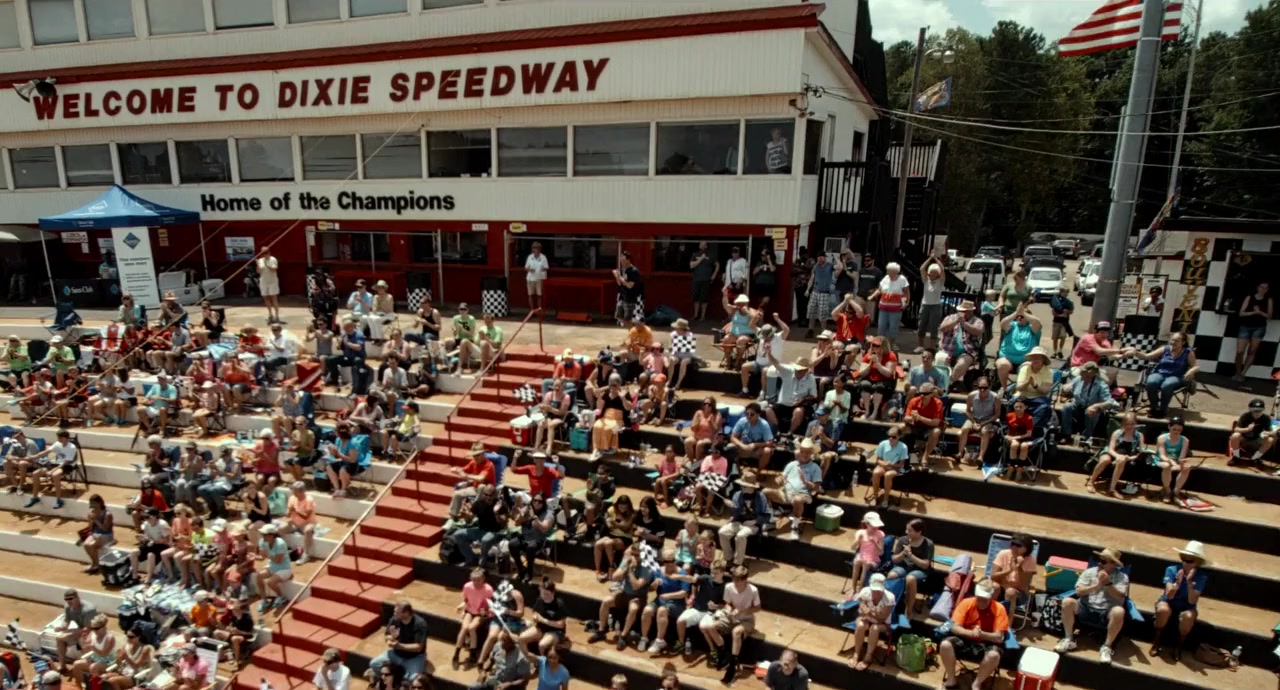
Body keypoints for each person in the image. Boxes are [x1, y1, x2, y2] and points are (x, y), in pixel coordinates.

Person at [1055, 547, 1129, 664]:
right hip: (1085, 607)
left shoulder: (1122, 577)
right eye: (1100, 560)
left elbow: (1120, 595)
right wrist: (1096, 586)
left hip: (1106, 612)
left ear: (1113, 564)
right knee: (1067, 602)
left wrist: (1108, 583)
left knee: (1119, 611)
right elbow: (1079, 591)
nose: (1100, 563)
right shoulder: (1089, 572)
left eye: (1104, 561)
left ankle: (1107, 646)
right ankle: (1068, 638)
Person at [939, 579, 1009, 690]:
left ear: (991, 597)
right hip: (966, 639)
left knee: (994, 655)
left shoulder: (999, 609)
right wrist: (971, 633)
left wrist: (982, 634)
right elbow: (954, 627)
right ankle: (951, 679)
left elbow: (999, 637)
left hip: (987, 643)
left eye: (984, 599)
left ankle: (977, 683)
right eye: (979, 598)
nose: (981, 602)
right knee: (945, 645)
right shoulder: (966, 603)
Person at [588, 542, 655, 648]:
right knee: (606, 601)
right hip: (624, 593)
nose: (634, 557)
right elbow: (614, 577)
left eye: (637, 555)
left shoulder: (647, 568)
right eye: (632, 554)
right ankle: (601, 631)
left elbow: (636, 586)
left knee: (633, 609)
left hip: (638, 597)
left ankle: (623, 636)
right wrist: (626, 566)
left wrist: (630, 571)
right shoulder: (627, 562)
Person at [1151, 540, 1209, 660]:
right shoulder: (1171, 570)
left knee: (1188, 617)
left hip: (1187, 606)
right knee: (1163, 610)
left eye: (1190, 560)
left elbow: (1192, 601)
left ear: (1197, 562)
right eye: (1183, 559)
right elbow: (1169, 595)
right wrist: (1177, 582)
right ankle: (1156, 641)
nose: (1185, 563)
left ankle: (1179, 646)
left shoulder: (1201, 577)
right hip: (1169, 601)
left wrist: (1189, 583)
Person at [702, 565, 760, 683]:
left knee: (736, 632)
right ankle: (723, 652)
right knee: (709, 626)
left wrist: (743, 611)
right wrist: (729, 610)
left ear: (745, 580)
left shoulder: (753, 590)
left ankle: (732, 664)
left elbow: (758, 607)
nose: (735, 583)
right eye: (734, 579)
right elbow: (727, 603)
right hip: (731, 617)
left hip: (746, 620)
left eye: (738, 580)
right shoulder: (729, 587)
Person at [1132, 331, 1199, 418]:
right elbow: (1147, 356)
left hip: (1177, 376)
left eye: (1176, 341)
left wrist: (1190, 371)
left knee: (1167, 385)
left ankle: (1163, 409)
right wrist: (1135, 352)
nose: (1173, 342)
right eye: (1172, 340)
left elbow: (1195, 366)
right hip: (1160, 373)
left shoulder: (1188, 352)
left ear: (1183, 342)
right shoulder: (1165, 349)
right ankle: (1154, 407)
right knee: (1151, 382)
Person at [764, 440, 823, 539]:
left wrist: (805, 481)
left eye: (808, 452)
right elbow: (781, 477)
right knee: (765, 492)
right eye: (803, 451)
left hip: (803, 494)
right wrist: (779, 479)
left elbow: (816, 488)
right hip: (785, 493)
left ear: (811, 453)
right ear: (800, 451)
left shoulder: (815, 468)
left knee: (797, 499)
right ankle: (770, 520)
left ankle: (795, 527)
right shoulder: (792, 464)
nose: (805, 454)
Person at [639, 548, 692, 654]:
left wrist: (668, 596)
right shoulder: (658, 571)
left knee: (662, 610)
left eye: (672, 561)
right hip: (660, 600)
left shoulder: (682, 573)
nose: (670, 564)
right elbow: (650, 589)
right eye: (666, 561)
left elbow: (684, 593)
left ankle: (659, 641)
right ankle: (644, 638)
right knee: (647, 611)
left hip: (676, 604)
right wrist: (654, 584)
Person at [1086, 411, 1146, 495]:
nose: (1129, 426)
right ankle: (1091, 482)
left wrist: (1130, 458)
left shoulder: (1139, 436)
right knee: (1105, 460)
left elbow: (1140, 453)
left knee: (1121, 460)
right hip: (1112, 453)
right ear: (1123, 424)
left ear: (1136, 423)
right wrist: (1117, 456)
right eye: (1127, 424)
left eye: (1132, 424)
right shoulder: (1117, 433)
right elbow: (1110, 449)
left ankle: (1112, 489)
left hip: (1127, 457)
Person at [844, 574, 895, 672]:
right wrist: (868, 612)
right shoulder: (865, 592)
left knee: (874, 628)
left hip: (883, 623)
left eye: (879, 590)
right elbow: (861, 609)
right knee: (860, 625)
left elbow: (882, 617)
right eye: (874, 590)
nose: (876, 592)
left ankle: (868, 656)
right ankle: (856, 653)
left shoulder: (890, 598)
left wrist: (869, 612)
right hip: (867, 618)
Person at [371, 600, 429, 678]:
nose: (394, 614)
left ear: (406, 613)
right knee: (374, 664)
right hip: (396, 654)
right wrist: (390, 639)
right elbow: (387, 635)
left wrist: (398, 645)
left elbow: (418, 647)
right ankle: (390, 681)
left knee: (413, 678)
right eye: (394, 611)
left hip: (414, 657)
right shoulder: (394, 619)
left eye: (397, 612)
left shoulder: (420, 624)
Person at [764, 353, 818, 437]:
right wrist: (769, 353)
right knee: (768, 410)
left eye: (800, 370)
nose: (797, 371)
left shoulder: (811, 379)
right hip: (783, 404)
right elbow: (775, 363)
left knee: (798, 412)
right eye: (796, 369)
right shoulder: (787, 372)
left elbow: (813, 395)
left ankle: (790, 433)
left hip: (798, 405)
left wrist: (803, 399)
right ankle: (777, 430)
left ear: (806, 370)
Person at [1059, 361, 1114, 443]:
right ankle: (1066, 434)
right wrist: (1065, 388)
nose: (1081, 375)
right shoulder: (1078, 379)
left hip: (1091, 408)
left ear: (1091, 374)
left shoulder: (1101, 385)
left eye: (1084, 373)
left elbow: (1110, 402)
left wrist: (1095, 406)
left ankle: (1086, 437)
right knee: (1067, 407)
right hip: (1077, 406)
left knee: (1093, 412)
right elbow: (1067, 387)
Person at [886, 518, 933, 613]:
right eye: (907, 529)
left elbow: (925, 565)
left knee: (910, 579)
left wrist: (911, 556)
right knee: (892, 575)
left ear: (919, 532)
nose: (906, 532)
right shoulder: (902, 540)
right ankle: (889, 605)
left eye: (910, 531)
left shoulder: (928, 544)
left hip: (919, 569)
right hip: (903, 566)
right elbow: (894, 559)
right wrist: (903, 553)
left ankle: (908, 610)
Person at [995, 303, 1043, 391]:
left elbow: (1038, 323)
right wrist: (1016, 312)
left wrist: (1023, 312)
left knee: (1025, 368)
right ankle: (1004, 389)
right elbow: (1003, 323)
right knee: (1002, 365)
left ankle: (1019, 390)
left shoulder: (1032, 329)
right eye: (1018, 317)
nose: (1019, 318)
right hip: (1007, 358)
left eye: (1022, 317)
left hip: (1026, 360)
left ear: (1028, 318)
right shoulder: (1012, 326)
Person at [739, 317, 788, 397]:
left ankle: (763, 393)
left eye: (766, 336)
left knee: (765, 371)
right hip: (758, 364)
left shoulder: (779, 337)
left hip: (772, 365)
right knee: (744, 367)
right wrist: (755, 318)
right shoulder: (761, 334)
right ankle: (745, 391)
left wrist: (777, 319)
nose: (764, 338)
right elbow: (751, 326)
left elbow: (786, 329)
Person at [939, 300, 984, 385]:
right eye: (962, 311)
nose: (964, 313)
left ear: (972, 311)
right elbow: (942, 328)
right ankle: (942, 381)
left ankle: (949, 382)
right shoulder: (950, 318)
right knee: (940, 360)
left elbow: (978, 331)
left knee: (962, 363)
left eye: (966, 311)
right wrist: (955, 321)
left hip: (968, 351)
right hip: (947, 349)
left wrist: (964, 324)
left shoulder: (977, 321)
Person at [853, 336, 898, 421]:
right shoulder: (868, 355)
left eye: (877, 346)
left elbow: (888, 374)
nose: (874, 347)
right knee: (864, 385)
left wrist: (877, 363)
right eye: (873, 345)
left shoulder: (890, 355)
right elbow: (862, 373)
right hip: (871, 379)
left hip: (885, 380)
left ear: (883, 346)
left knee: (878, 387)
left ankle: (875, 412)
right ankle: (867, 411)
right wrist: (870, 364)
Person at [448, 442, 499, 518]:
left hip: (488, 493)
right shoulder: (473, 462)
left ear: (483, 454)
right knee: (457, 494)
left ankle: (473, 512)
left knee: (481, 486)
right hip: (475, 488)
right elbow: (463, 470)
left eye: (477, 455)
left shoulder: (489, 465)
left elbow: (481, 478)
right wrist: (457, 470)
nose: (475, 457)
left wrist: (467, 476)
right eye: (474, 455)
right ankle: (453, 515)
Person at [55, 588, 99, 673]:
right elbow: (67, 621)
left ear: (77, 597)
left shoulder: (89, 610)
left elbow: (88, 628)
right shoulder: (68, 607)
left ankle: (88, 667)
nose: (69, 601)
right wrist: (62, 627)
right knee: (59, 638)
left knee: (82, 640)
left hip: (93, 632)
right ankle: (62, 666)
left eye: (71, 598)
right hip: (80, 630)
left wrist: (73, 633)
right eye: (66, 599)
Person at [520, 578, 568, 655]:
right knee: (522, 638)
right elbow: (535, 612)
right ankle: (527, 657)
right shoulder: (540, 600)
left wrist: (544, 620)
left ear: (553, 592)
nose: (544, 596)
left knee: (542, 645)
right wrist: (535, 617)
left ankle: (543, 661)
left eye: (547, 594)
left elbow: (561, 625)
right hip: (541, 628)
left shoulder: (559, 604)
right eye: (542, 593)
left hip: (555, 631)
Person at [989, 533, 1036, 612]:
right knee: (994, 586)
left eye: (1018, 545)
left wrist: (1020, 568)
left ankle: (1007, 619)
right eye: (1012, 544)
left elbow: (1024, 585)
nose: (1014, 547)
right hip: (1000, 589)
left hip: (1018, 593)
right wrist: (1009, 570)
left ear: (1027, 548)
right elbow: (993, 577)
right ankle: (988, 614)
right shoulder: (1003, 554)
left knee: (1010, 592)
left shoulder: (1031, 560)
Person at [455, 568, 493, 666]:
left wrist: (485, 613)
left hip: (480, 614)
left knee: (471, 628)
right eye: (474, 580)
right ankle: (456, 654)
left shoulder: (488, 589)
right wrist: (462, 607)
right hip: (469, 611)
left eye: (478, 580)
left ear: (483, 579)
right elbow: (466, 600)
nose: (476, 582)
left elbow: (489, 605)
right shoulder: (467, 586)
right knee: (464, 628)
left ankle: (472, 653)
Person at [589, 374, 632, 462]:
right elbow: (599, 406)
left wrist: (623, 398)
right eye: (611, 385)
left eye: (615, 385)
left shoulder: (624, 394)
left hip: (619, 420)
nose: (613, 387)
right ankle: (596, 449)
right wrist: (600, 397)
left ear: (619, 384)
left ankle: (605, 448)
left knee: (609, 428)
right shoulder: (606, 394)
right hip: (606, 417)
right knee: (597, 426)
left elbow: (628, 408)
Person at [958, 377, 1000, 465]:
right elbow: (968, 411)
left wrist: (984, 423)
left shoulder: (995, 397)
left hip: (988, 420)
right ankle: (960, 453)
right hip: (974, 418)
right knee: (964, 429)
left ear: (989, 387)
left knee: (985, 432)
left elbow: (996, 414)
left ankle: (981, 456)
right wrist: (973, 422)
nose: (982, 390)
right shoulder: (971, 395)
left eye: (985, 388)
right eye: (980, 387)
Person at [1235, 281, 1272, 381]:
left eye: (1266, 288)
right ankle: (1238, 372)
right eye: (1262, 287)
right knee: (1240, 351)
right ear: (1257, 287)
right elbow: (1241, 313)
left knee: (1252, 351)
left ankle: (1243, 373)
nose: (1263, 290)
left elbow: (1269, 316)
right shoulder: (1249, 297)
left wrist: (1259, 312)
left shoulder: (1268, 300)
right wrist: (1254, 312)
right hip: (1245, 326)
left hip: (1259, 327)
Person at [869, 262, 910, 350]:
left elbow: (906, 292)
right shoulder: (886, 278)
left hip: (895, 308)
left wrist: (906, 302)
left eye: (889, 270)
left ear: (894, 271)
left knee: (893, 328)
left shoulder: (902, 279)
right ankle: (880, 345)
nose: (887, 272)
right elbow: (879, 289)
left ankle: (892, 344)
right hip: (883, 307)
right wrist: (872, 296)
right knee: (881, 327)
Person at [592, 494, 635, 578]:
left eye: (625, 506)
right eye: (621, 506)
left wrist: (615, 523)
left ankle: (611, 567)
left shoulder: (632, 514)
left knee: (608, 543)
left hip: (624, 538)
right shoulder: (612, 510)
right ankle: (598, 570)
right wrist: (610, 523)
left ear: (628, 505)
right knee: (598, 544)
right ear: (617, 504)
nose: (622, 508)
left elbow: (626, 528)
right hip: (611, 535)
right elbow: (608, 522)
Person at [1152, 416, 1192, 503]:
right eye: (1174, 429)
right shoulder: (1161, 438)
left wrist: (1181, 462)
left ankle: (1176, 491)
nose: (1176, 432)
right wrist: (1171, 461)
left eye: (1179, 430)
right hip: (1162, 461)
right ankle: (1167, 491)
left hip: (1176, 462)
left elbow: (1181, 457)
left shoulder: (1184, 440)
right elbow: (1162, 455)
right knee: (1167, 466)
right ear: (1169, 427)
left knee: (1187, 467)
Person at [866, 425, 908, 508]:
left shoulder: (903, 447)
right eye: (889, 436)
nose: (891, 439)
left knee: (888, 475)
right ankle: (875, 496)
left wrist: (891, 465)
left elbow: (901, 464)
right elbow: (878, 460)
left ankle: (885, 499)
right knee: (875, 472)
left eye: (893, 437)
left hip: (895, 468)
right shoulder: (883, 444)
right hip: (883, 465)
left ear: (899, 437)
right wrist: (884, 464)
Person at [903, 383, 944, 463]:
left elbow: (936, 422)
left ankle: (925, 457)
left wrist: (920, 418)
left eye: (925, 394)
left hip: (930, 428)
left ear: (931, 394)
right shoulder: (914, 401)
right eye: (920, 393)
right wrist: (913, 417)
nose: (922, 396)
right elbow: (906, 418)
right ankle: (907, 455)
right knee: (902, 427)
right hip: (916, 425)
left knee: (936, 432)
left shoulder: (938, 403)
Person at [255, 524, 293, 610]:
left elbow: (278, 560)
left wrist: (267, 555)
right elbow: (262, 556)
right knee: (259, 576)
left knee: (270, 582)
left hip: (284, 569)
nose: (263, 536)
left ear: (272, 535)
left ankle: (281, 596)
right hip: (272, 566)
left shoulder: (280, 543)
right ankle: (264, 600)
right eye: (263, 534)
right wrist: (259, 555)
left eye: (265, 534)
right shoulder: (262, 541)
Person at [1228, 397, 1274, 464]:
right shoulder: (1245, 416)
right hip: (1244, 439)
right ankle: (1235, 457)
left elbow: (1270, 431)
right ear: (1250, 410)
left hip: (1257, 440)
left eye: (1260, 411)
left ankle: (1255, 458)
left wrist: (1267, 433)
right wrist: (1247, 429)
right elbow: (1236, 429)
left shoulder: (1266, 418)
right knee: (1235, 436)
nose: (1257, 413)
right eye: (1255, 411)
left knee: (1270, 440)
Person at [729, 402, 774, 471]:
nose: (749, 416)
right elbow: (733, 437)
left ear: (758, 414)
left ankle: (758, 472)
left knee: (767, 451)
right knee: (730, 447)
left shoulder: (764, 424)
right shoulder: (742, 421)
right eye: (747, 414)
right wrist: (743, 446)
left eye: (752, 414)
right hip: (743, 447)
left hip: (757, 450)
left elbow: (770, 442)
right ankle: (737, 471)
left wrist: (755, 445)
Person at [720, 293, 759, 370]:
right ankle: (728, 362)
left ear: (746, 303)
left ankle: (738, 362)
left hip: (747, 334)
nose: (740, 305)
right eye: (739, 304)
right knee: (726, 339)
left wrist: (747, 312)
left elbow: (756, 318)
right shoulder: (734, 310)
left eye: (742, 304)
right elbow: (725, 304)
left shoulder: (751, 310)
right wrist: (725, 295)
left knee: (741, 340)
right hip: (734, 333)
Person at [917, 255, 946, 351]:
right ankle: (921, 346)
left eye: (935, 272)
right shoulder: (926, 280)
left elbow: (943, 269)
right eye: (931, 272)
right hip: (925, 305)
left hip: (936, 306)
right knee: (921, 326)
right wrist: (930, 258)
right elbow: (922, 269)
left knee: (933, 327)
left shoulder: (940, 281)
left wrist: (936, 259)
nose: (933, 274)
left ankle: (932, 347)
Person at [1003, 398, 1036, 482]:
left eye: (1021, 407)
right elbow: (1005, 428)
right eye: (1016, 407)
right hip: (1012, 436)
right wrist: (1007, 435)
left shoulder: (1029, 418)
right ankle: (1011, 467)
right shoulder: (1009, 416)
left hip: (1025, 437)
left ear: (1025, 407)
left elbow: (1029, 434)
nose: (1018, 409)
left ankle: (1020, 468)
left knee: (1024, 446)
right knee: (1015, 445)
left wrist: (1016, 438)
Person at [805, 253, 837, 337]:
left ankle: (824, 331)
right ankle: (810, 330)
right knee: (811, 310)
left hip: (824, 292)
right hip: (815, 291)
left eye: (821, 258)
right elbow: (812, 278)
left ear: (825, 258)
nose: (820, 259)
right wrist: (808, 289)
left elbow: (840, 268)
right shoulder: (815, 266)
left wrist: (836, 258)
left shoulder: (830, 266)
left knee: (823, 313)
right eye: (818, 258)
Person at [689, 241, 720, 322]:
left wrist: (714, 275)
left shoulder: (711, 255)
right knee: (696, 298)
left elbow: (717, 265)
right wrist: (701, 259)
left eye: (704, 244)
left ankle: (703, 316)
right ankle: (696, 315)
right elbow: (691, 265)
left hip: (706, 279)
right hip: (696, 279)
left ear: (706, 246)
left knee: (704, 298)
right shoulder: (695, 254)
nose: (702, 245)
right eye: (700, 244)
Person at [613, 251, 643, 326]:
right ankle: (632, 327)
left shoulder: (633, 271)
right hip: (623, 296)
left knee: (628, 319)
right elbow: (620, 284)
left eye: (623, 260)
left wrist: (619, 277)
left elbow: (630, 286)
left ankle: (634, 328)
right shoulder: (624, 270)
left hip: (631, 297)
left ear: (628, 260)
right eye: (621, 260)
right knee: (619, 316)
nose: (621, 262)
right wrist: (617, 277)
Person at [254, 248, 281, 323]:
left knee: (274, 298)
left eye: (265, 253)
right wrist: (257, 265)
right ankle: (270, 314)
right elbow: (258, 271)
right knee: (266, 298)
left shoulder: (273, 259)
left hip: (272, 281)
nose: (264, 255)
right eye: (262, 253)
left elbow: (274, 269)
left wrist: (266, 264)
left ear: (269, 253)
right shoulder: (260, 260)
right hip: (263, 281)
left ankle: (276, 315)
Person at [791, 247, 814, 326]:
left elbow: (810, 268)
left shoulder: (810, 260)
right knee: (799, 303)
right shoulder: (797, 261)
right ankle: (800, 320)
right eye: (801, 254)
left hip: (807, 285)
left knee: (806, 303)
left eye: (804, 254)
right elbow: (793, 272)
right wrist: (802, 268)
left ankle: (806, 320)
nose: (803, 255)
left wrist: (801, 267)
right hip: (798, 285)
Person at [525, 242, 550, 311]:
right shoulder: (530, 257)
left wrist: (542, 269)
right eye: (534, 247)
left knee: (539, 295)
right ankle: (532, 310)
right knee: (530, 295)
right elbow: (526, 267)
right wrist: (530, 269)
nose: (535, 249)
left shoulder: (543, 257)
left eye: (537, 248)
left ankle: (539, 310)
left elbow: (547, 267)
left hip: (539, 278)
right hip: (530, 278)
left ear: (540, 249)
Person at [752, 246, 777, 310]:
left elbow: (772, 270)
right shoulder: (759, 263)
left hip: (769, 285)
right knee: (760, 302)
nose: (762, 256)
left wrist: (769, 259)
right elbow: (754, 273)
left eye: (763, 255)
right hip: (760, 284)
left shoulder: (772, 262)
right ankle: (760, 315)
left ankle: (757, 312)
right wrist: (760, 268)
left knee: (766, 301)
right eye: (761, 255)